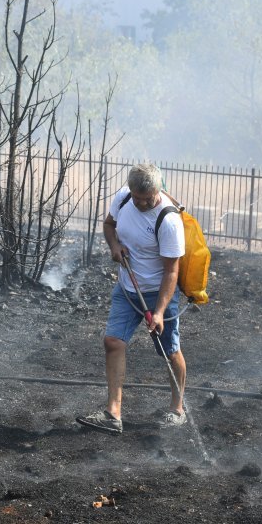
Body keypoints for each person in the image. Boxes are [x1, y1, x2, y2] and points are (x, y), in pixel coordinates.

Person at [76, 163, 186, 435]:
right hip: (127, 288)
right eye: (136, 197)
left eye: (146, 198)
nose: (140, 203)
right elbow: (109, 224)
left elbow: (172, 271)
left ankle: (177, 408)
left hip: (157, 291)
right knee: (113, 341)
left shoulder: (169, 220)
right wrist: (115, 247)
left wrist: (159, 311)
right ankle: (113, 413)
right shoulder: (124, 197)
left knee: (169, 351)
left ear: (158, 190)